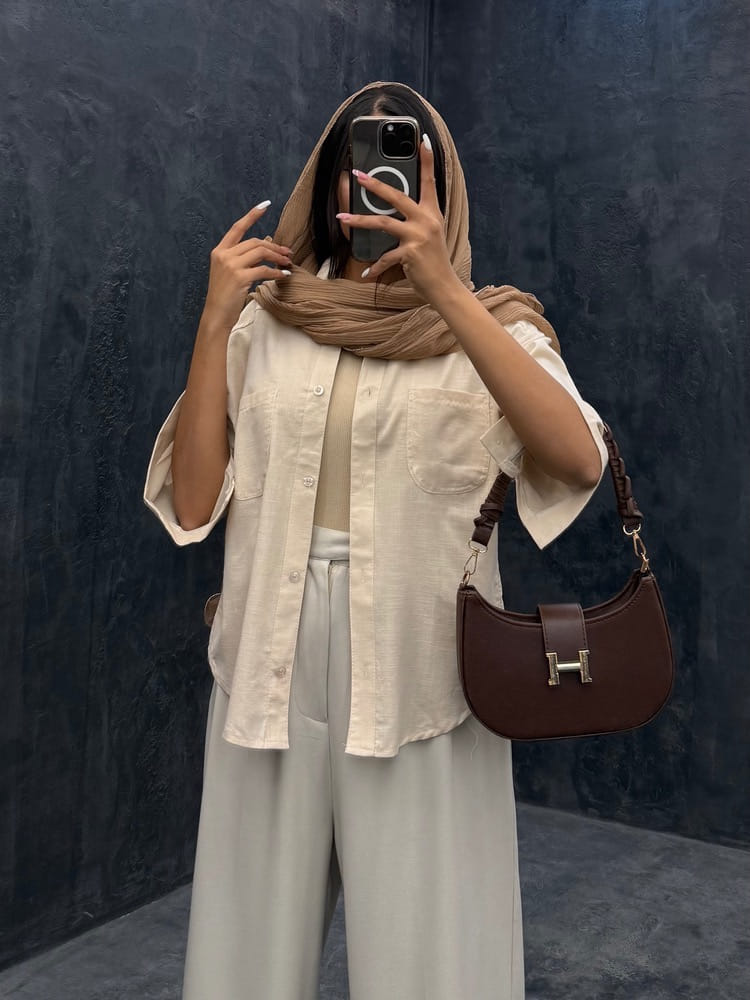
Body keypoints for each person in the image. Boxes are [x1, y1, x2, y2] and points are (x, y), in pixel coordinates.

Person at [143, 80, 608, 1000]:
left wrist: (443, 290)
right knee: (242, 957)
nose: (375, 181)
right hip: (267, 654)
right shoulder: (271, 317)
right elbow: (194, 506)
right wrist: (214, 319)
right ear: (327, 181)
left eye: (401, 161)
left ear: (443, 187)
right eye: (356, 161)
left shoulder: (490, 326)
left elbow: (577, 460)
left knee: (433, 963)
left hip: (421, 662)